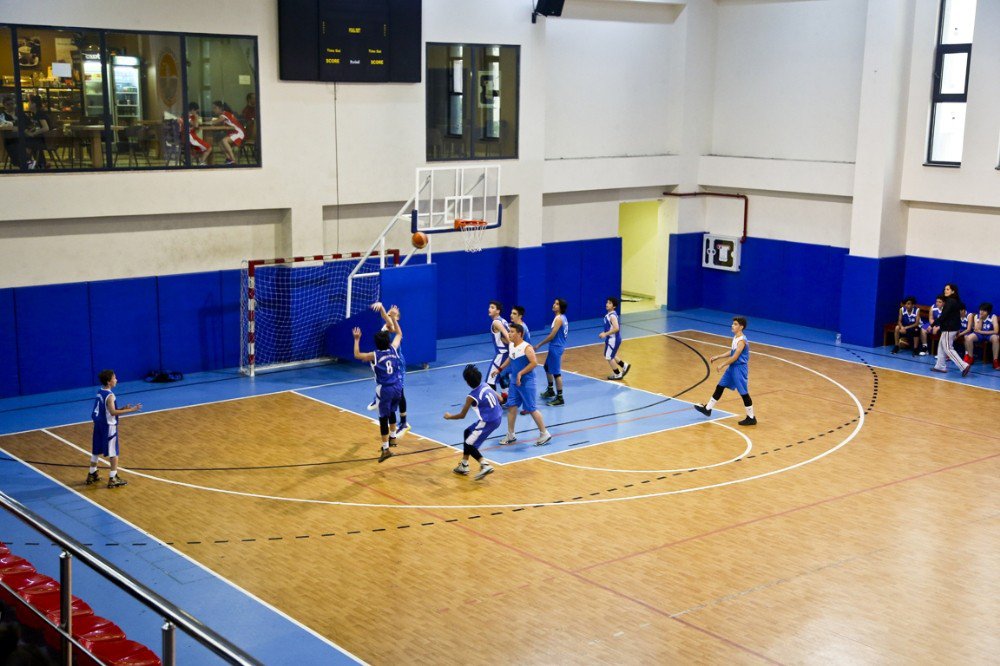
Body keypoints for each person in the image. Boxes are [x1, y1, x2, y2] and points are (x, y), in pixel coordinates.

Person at [493, 323, 552, 446]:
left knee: (531, 408)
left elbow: (534, 363)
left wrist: (520, 373)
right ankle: (511, 435)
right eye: (509, 331)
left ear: (520, 334)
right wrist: (499, 369)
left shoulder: (527, 347)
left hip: (526, 382)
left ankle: (544, 433)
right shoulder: (512, 345)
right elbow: (510, 358)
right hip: (515, 382)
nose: (509, 334)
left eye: (512, 332)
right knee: (512, 406)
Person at [353, 322, 403, 463]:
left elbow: (357, 355)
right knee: (392, 411)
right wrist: (394, 319)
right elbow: (399, 334)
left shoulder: (374, 355)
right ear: (388, 342)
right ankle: (393, 437)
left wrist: (357, 339)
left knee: (383, 418)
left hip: (385, 389)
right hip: (398, 386)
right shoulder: (393, 349)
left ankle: (385, 448)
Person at [693, 317, 756, 426]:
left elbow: (735, 356)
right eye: (733, 323)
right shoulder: (736, 337)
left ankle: (751, 417)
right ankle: (708, 409)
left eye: (735, 324)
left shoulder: (742, 341)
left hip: (739, 369)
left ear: (741, 327)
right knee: (720, 386)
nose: (732, 325)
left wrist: (722, 364)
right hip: (732, 367)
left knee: (743, 393)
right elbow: (732, 352)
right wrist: (719, 356)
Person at [444, 364, 503, 480]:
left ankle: (484, 464)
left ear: (467, 382)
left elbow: (462, 416)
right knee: (467, 432)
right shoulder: (486, 385)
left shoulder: (471, 396)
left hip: (488, 421)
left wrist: (449, 416)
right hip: (498, 417)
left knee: (469, 443)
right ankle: (464, 464)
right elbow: (500, 399)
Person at [88, 369, 142, 488]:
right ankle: (113, 477)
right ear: (109, 382)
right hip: (108, 427)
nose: (116, 380)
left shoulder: (100, 392)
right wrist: (132, 410)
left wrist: (122, 408)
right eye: (114, 378)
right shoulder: (110, 395)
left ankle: (92, 473)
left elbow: (106, 410)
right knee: (114, 452)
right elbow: (112, 412)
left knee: (96, 450)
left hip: (98, 425)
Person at [367, 302, 410, 436]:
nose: (391, 314)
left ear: (397, 318)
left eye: (394, 314)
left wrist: (384, 309)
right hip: (389, 361)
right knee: (380, 375)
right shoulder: (386, 325)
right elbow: (385, 318)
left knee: (400, 390)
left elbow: (388, 320)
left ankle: (403, 423)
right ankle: (378, 398)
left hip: (397, 362)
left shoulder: (394, 327)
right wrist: (383, 310)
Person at [930, 283, 971, 376]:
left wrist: (932, 325)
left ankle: (964, 365)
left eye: (948, 289)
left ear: (953, 291)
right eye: (945, 289)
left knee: (948, 348)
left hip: (949, 328)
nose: (945, 291)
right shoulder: (954, 300)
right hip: (950, 327)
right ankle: (940, 366)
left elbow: (944, 315)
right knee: (941, 346)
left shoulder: (950, 301)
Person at [536, 298, 568, 406]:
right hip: (556, 346)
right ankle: (550, 390)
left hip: (556, 347)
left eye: (557, 304)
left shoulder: (559, 319)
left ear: (561, 307)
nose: (554, 305)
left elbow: (552, 336)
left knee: (556, 373)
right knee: (547, 367)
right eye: (554, 303)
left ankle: (560, 398)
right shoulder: (561, 317)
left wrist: (539, 345)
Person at [599, 296, 631, 379]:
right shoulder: (609, 315)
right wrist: (605, 332)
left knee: (609, 357)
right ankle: (624, 365)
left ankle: (617, 374)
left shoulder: (612, 316)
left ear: (614, 306)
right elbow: (610, 327)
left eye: (609, 303)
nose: (607, 304)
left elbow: (616, 328)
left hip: (613, 339)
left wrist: (605, 334)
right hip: (611, 339)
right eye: (607, 302)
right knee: (609, 355)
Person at [487, 300, 511, 401]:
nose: (489, 309)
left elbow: (507, 335)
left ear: (498, 311)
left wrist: (513, 347)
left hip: (501, 354)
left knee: (490, 380)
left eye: (492, 307)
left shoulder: (496, 322)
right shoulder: (503, 320)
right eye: (489, 307)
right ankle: (505, 397)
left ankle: (495, 402)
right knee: (503, 377)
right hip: (506, 354)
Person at [964, 302, 999, 370]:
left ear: (988, 312)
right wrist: (980, 319)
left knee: (995, 338)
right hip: (979, 335)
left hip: (989, 334)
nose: (981, 312)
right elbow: (977, 330)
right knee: (968, 338)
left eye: (984, 310)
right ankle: (970, 358)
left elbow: (996, 331)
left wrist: (982, 332)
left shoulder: (993, 317)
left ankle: (995, 361)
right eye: (981, 310)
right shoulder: (977, 316)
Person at [210, 100, 245, 165]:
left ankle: (233, 160)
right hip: (233, 133)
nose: (213, 110)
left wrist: (205, 122)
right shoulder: (224, 114)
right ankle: (228, 159)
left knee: (224, 140)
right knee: (219, 142)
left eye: (215, 108)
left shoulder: (224, 114)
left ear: (220, 108)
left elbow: (215, 122)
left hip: (238, 133)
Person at [22, 95, 50, 169]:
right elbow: (37, 127)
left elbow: (46, 128)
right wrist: (29, 131)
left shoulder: (40, 114)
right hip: (41, 139)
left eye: (29, 102)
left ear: (34, 104)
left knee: (25, 143)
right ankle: (40, 163)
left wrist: (33, 134)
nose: (28, 104)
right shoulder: (35, 114)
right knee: (29, 142)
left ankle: (31, 163)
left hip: (46, 140)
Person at [0, 95, 19, 168]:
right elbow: (1, 126)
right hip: (8, 137)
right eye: (8, 104)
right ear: (4, 105)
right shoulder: (2, 115)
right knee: (12, 145)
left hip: (19, 136)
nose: (11, 106)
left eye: (12, 104)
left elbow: (25, 124)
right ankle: (19, 163)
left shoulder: (18, 113)